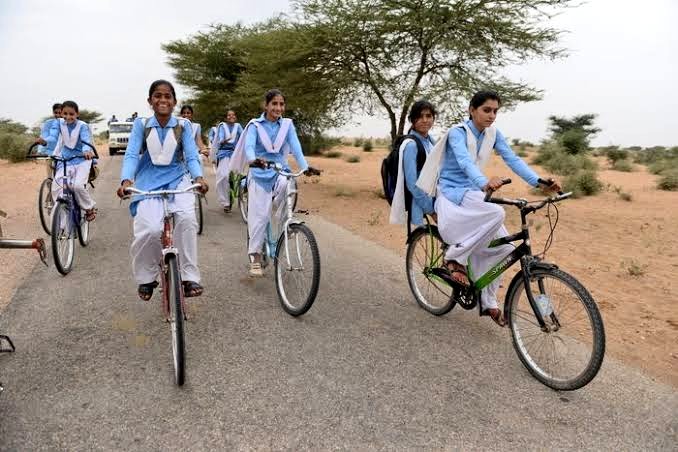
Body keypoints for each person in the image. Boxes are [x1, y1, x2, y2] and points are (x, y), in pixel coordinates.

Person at [418, 90, 560, 326]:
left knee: (506, 251)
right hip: (453, 193)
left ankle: (489, 301)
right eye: (486, 110)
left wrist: (540, 182)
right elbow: (464, 162)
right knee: (496, 212)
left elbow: (512, 159)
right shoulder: (457, 133)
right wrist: (483, 182)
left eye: (495, 111)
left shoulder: (493, 133)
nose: (492, 115)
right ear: (472, 110)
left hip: (473, 194)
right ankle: (454, 258)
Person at [116, 80, 209, 300]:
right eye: (158, 96)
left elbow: (191, 154)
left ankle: (188, 277)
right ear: (150, 101)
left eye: (168, 96)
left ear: (174, 101)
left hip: (178, 179)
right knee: (149, 230)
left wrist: (199, 177)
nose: (163, 100)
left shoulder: (183, 125)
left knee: (187, 220)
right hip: (148, 181)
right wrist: (126, 180)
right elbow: (131, 154)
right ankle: (147, 277)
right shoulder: (142, 124)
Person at [230, 89, 309, 277]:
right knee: (259, 217)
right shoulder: (254, 126)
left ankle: (285, 224)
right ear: (266, 105)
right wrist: (252, 159)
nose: (278, 108)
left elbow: (295, 146)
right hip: (259, 173)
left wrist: (306, 166)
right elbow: (249, 147)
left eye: (281, 104)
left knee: (289, 185)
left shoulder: (287, 125)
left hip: (279, 170)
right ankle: (255, 257)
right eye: (274, 104)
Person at [43, 100, 97, 221]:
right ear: (61, 114)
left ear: (77, 114)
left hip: (82, 159)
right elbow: (53, 137)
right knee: (57, 186)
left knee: (77, 186)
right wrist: (45, 141)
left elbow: (86, 140)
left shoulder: (82, 126)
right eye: (65, 113)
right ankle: (61, 215)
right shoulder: (58, 123)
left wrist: (87, 150)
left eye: (71, 114)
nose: (68, 117)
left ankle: (89, 208)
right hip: (65, 159)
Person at [389, 100, 437, 227]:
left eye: (428, 116)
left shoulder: (431, 141)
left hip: (436, 197)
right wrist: (430, 210)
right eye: (419, 116)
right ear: (412, 120)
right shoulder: (411, 145)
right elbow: (412, 184)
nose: (425, 120)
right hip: (421, 203)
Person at [213, 109, 243, 213]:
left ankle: (239, 195)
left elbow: (243, 136)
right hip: (224, 153)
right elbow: (220, 139)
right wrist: (224, 140)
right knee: (223, 176)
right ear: (226, 118)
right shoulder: (222, 126)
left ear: (236, 117)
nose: (231, 117)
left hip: (235, 154)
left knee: (238, 177)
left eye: (233, 115)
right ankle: (225, 202)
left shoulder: (238, 126)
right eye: (229, 115)